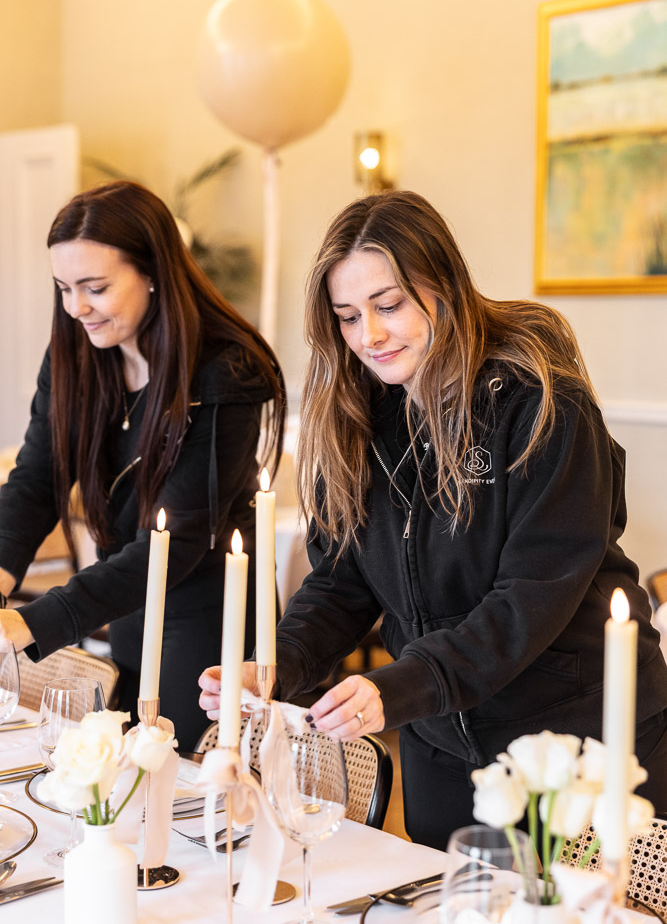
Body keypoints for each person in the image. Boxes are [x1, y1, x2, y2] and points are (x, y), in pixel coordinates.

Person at [199, 189, 667, 848]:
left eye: (389, 305)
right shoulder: (358, 415)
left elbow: (530, 599)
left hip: (573, 736)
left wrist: (402, 685)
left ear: (444, 286)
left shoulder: (539, 406)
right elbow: (339, 583)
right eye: (348, 316)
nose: (370, 335)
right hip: (441, 742)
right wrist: (279, 664)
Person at [0, 180, 285, 751]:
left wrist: (32, 623)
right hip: (130, 598)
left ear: (153, 271)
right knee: (128, 772)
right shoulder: (75, 356)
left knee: (183, 787)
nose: (75, 308)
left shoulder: (227, 373)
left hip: (212, 615)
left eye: (95, 288)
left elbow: (179, 542)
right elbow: (36, 482)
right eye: (64, 288)